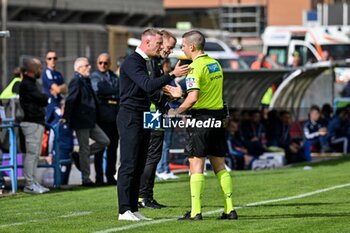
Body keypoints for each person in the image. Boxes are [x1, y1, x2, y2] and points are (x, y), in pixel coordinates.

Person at [164, 30, 238, 220]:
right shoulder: (215, 64)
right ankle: (229, 209)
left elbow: (194, 98)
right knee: (220, 165)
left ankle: (196, 212)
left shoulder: (195, 67)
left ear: (192, 47)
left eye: (183, 46)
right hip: (218, 118)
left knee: (196, 165)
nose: (182, 49)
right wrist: (183, 94)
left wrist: (175, 111)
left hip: (200, 120)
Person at [117, 28, 189, 221]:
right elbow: (148, 86)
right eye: (159, 43)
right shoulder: (133, 61)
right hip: (130, 117)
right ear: (147, 42)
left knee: (140, 163)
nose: (161, 47)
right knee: (129, 164)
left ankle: (133, 208)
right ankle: (124, 210)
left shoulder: (146, 62)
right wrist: (173, 75)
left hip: (143, 115)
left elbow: (150, 89)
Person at [138, 30, 178, 209]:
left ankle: (147, 195)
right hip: (152, 113)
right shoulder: (151, 63)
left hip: (157, 112)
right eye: (167, 47)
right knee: (152, 155)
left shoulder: (157, 62)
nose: (168, 50)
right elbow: (151, 89)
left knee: (154, 155)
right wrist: (168, 95)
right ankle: (143, 196)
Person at [61, 57, 110, 187]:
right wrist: (66, 116)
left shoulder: (85, 80)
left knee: (105, 141)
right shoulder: (76, 81)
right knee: (85, 147)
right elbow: (71, 100)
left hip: (90, 120)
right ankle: (86, 179)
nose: (89, 67)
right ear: (78, 68)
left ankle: (79, 156)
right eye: (86, 65)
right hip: (81, 120)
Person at [19, 57, 50, 194]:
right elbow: (42, 98)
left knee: (35, 155)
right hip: (31, 122)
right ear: (32, 69)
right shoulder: (27, 83)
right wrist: (43, 98)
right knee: (32, 154)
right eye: (39, 68)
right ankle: (29, 184)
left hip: (36, 122)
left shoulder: (31, 83)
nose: (41, 70)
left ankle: (33, 182)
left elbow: (42, 99)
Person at [91, 53, 119, 186]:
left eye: (105, 63)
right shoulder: (95, 76)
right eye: (100, 63)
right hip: (102, 117)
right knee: (100, 148)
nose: (103, 65)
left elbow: (120, 90)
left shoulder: (113, 76)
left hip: (115, 117)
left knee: (112, 149)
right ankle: (99, 178)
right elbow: (99, 89)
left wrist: (109, 93)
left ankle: (110, 176)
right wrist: (113, 92)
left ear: (110, 64)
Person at [41, 50, 67, 124]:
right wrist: (60, 88)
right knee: (57, 119)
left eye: (54, 58)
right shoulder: (47, 72)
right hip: (50, 104)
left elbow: (65, 89)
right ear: (46, 60)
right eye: (50, 58)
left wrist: (60, 89)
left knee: (62, 120)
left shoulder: (58, 74)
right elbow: (58, 89)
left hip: (59, 103)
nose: (52, 60)